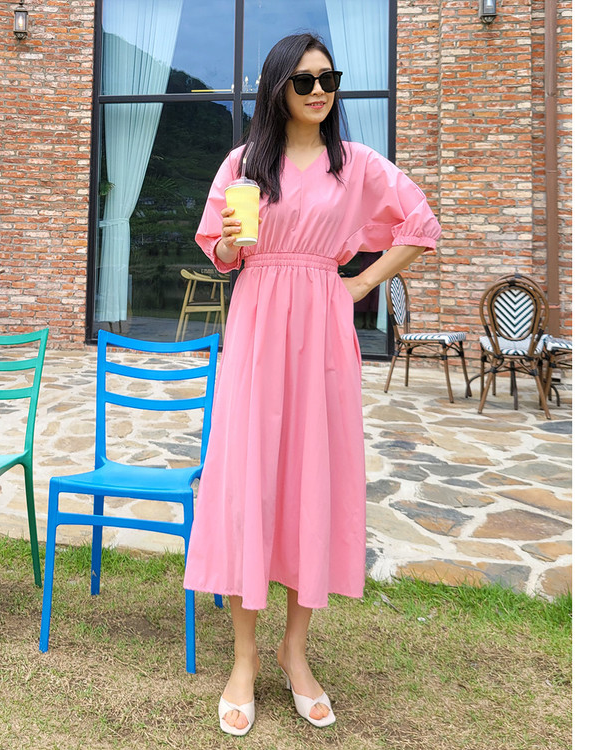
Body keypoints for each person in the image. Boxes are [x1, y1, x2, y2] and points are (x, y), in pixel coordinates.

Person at [183, 32, 441, 736]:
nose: (320, 90)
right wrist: (231, 243)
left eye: (329, 78)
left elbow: (421, 224)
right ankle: (244, 658)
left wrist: (358, 281)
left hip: (323, 329)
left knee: (312, 481)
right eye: (304, 81)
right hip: (258, 324)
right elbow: (221, 254)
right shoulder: (243, 164)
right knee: (249, 480)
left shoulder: (355, 164)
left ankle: (295, 652)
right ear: (278, 88)